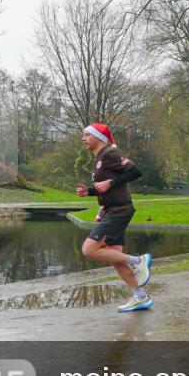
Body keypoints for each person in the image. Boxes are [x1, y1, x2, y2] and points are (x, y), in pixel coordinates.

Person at [76, 122, 154, 312]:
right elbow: (108, 187)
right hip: (112, 209)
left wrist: (110, 182)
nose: (83, 139)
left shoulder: (110, 154)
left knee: (89, 249)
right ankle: (140, 297)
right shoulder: (100, 159)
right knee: (115, 257)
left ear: (99, 138)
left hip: (119, 210)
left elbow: (136, 172)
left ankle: (138, 261)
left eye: (87, 135)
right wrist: (92, 191)